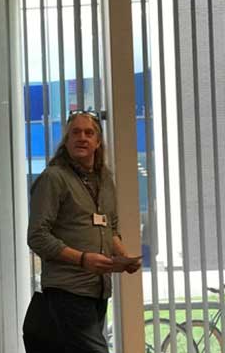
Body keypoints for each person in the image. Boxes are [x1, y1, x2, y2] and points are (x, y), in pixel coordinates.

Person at [26, 111, 141, 353]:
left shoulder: (105, 180)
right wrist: (82, 259)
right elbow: (37, 236)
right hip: (67, 289)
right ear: (66, 141)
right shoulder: (53, 178)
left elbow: (110, 228)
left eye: (89, 133)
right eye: (75, 133)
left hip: (98, 290)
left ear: (98, 142)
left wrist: (123, 258)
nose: (82, 138)